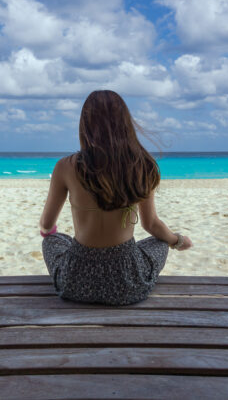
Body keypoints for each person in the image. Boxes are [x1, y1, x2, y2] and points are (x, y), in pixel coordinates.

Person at [39, 90, 193, 305]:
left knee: (54, 241)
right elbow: (151, 225)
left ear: (85, 124)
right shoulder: (142, 165)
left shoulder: (65, 166)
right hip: (128, 285)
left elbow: (46, 225)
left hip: (76, 283)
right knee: (160, 242)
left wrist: (49, 233)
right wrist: (177, 240)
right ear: (125, 123)